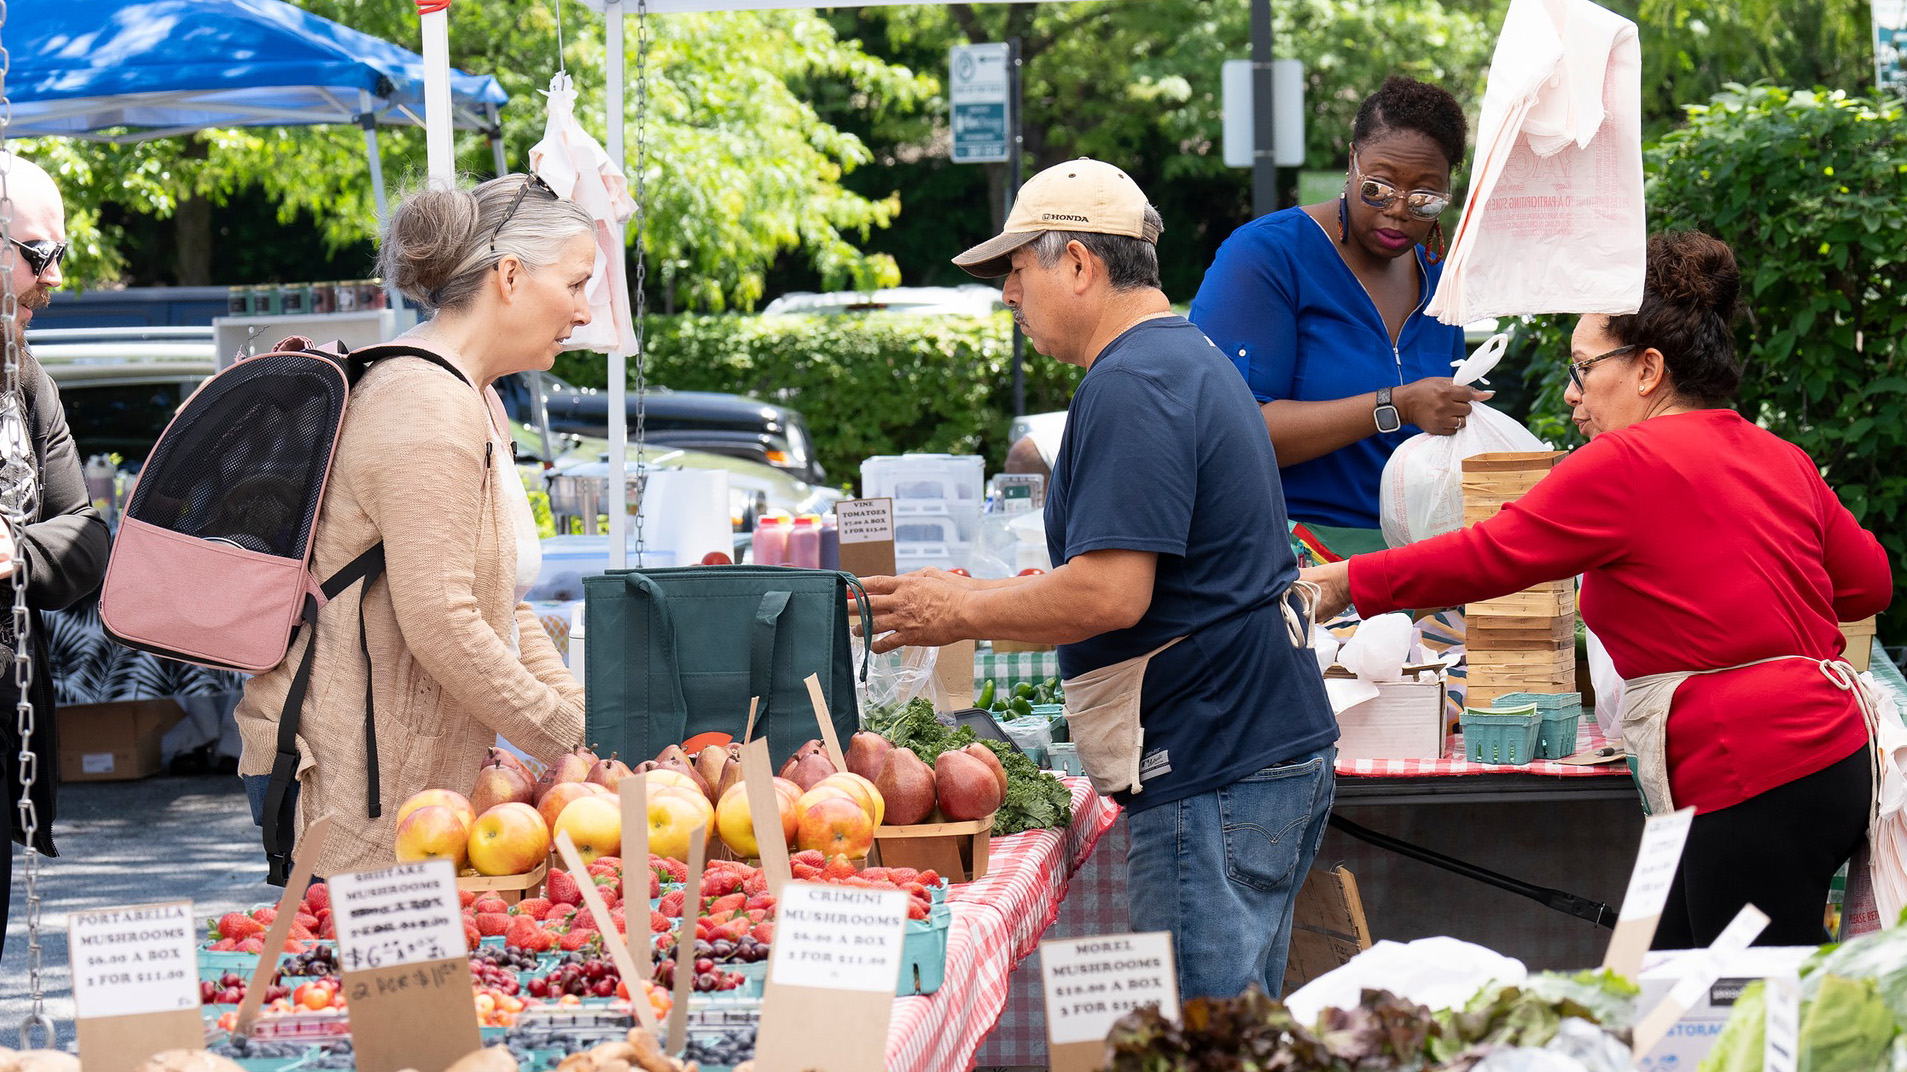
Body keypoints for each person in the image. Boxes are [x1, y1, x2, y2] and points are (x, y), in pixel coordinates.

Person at [1301, 232, 1892, 947]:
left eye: (1583, 368)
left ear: (1648, 369)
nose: (1571, 393)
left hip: (1751, 768)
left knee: (1743, 995)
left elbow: (1491, 554)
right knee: (1662, 969)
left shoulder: (1624, 462)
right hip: (1832, 756)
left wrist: (1347, 581)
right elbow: (1868, 583)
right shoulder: (1779, 456)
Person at [861, 158, 1337, 999]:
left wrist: (960, 608)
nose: (1009, 296)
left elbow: (1109, 593)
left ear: (1078, 263)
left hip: (1213, 761)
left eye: (1016, 270)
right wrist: (968, 599)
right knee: (1237, 1035)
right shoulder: (1179, 357)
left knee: (1197, 1043)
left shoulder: (1133, 381)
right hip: (1250, 750)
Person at [236, 174, 591, 878]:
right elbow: (442, 621)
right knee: (362, 953)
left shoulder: (471, 396)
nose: (584, 312)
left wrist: (586, 724)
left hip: (412, 786)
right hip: (353, 788)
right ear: (510, 277)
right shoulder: (423, 404)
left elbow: (502, 603)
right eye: (576, 284)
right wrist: (571, 739)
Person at [1190, 75, 1486, 557]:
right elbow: (1228, 432)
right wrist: (1396, 405)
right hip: (1285, 556)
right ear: (1352, 161)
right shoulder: (1268, 256)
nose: (1398, 211)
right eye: (1378, 188)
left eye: (1424, 198)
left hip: (1414, 560)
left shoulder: (1438, 277)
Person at [0, 154, 112, 956]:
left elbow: (86, 536)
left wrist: (14, 549)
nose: (54, 280)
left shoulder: (27, 379)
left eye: (59, 256)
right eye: (39, 255)